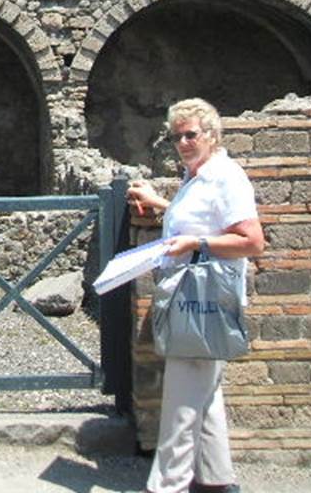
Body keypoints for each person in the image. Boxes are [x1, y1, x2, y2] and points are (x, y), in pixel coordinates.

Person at [127, 98, 265, 493]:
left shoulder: (225, 176)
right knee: (205, 391)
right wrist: (162, 204)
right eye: (176, 136)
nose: (183, 142)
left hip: (203, 302)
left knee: (182, 403)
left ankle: (167, 486)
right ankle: (217, 481)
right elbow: (201, 217)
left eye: (191, 134)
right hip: (193, 298)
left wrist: (196, 242)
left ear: (212, 134)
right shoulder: (197, 176)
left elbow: (252, 241)